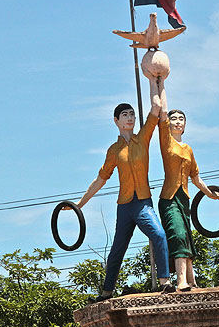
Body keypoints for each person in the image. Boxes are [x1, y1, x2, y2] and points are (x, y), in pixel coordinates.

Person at [69, 76, 174, 301]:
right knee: (117, 250)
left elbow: (156, 108)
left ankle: (165, 281)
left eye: (132, 114)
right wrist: (79, 205)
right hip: (124, 206)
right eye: (125, 115)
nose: (130, 118)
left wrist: (153, 78)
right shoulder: (114, 150)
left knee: (159, 234)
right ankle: (106, 292)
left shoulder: (143, 138)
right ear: (116, 121)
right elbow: (100, 179)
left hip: (143, 203)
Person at [157, 78, 219, 291]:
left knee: (187, 236)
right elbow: (162, 113)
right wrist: (159, 82)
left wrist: (209, 194)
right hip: (168, 198)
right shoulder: (166, 141)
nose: (177, 121)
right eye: (174, 119)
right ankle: (180, 281)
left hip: (184, 198)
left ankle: (191, 280)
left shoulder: (188, 149)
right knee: (177, 233)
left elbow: (196, 177)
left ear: (185, 125)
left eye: (181, 119)